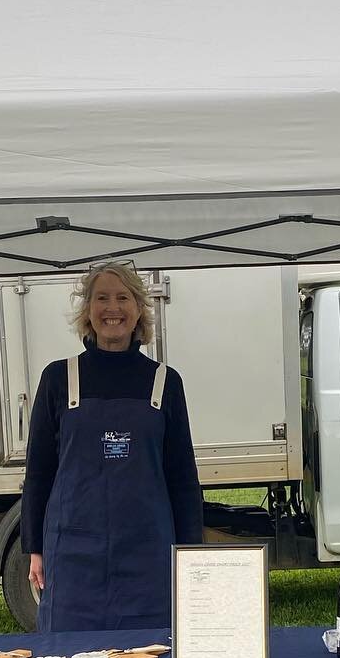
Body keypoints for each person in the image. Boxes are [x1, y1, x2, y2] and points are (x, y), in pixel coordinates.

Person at [20, 261, 203, 632]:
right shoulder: (58, 378)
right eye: (101, 298)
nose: (112, 308)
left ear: (138, 310)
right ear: (88, 310)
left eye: (123, 298)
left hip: (148, 557)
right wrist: (34, 547)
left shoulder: (165, 382)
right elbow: (39, 471)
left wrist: (190, 554)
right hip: (73, 558)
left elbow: (182, 479)